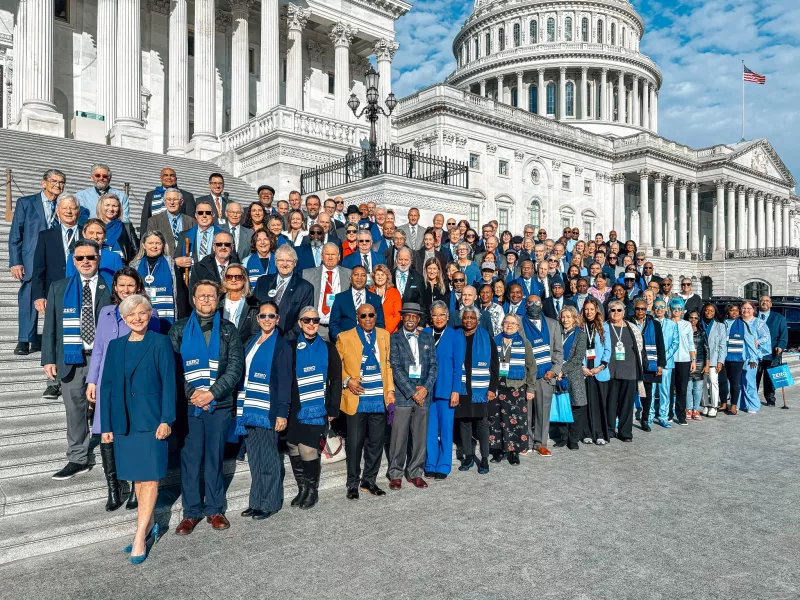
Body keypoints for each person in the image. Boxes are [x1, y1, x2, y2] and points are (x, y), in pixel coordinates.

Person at [99, 294, 174, 563]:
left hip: (152, 421)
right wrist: (106, 425)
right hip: (124, 424)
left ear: (150, 314)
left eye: (142, 313)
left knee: (150, 478)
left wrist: (167, 419)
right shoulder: (116, 346)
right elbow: (107, 387)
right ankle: (151, 523)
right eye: (131, 315)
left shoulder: (160, 342)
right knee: (138, 480)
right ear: (124, 318)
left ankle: (139, 535)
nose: (137, 318)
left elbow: (168, 383)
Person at [171, 281, 244, 534]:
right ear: (193, 299)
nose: (206, 300)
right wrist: (192, 394)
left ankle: (214, 509)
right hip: (190, 406)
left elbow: (235, 367)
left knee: (214, 457)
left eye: (211, 296)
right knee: (191, 459)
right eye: (201, 296)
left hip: (219, 405)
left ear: (218, 300)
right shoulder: (178, 329)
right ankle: (191, 512)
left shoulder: (228, 330)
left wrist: (212, 393)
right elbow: (173, 368)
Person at [87, 268, 160, 512]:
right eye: (121, 285)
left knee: (131, 431)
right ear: (115, 288)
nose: (126, 290)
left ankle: (134, 485)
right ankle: (113, 487)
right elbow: (98, 350)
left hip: (135, 385)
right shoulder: (106, 313)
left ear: (138, 287)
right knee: (106, 432)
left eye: (130, 285)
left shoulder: (147, 313)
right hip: (109, 384)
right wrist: (92, 381)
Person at [42, 240, 112, 479]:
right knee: (74, 410)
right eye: (80, 258)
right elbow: (50, 326)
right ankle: (78, 457)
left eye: (90, 258)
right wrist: (48, 359)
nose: (85, 262)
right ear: (73, 261)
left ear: (98, 259)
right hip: (72, 358)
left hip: (103, 358)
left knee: (108, 407)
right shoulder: (58, 288)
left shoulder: (111, 285)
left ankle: (113, 456)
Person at [234, 300, 291, 520]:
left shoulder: (282, 346)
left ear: (277, 319)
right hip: (249, 409)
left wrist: (281, 413)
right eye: (263, 316)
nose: (267, 320)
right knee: (254, 459)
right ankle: (256, 501)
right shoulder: (251, 341)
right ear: (257, 319)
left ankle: (270, 502)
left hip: (268, 411)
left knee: (268, 459)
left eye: (271, 316)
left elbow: (285, 383)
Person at [284, 307, 342, 509]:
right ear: (300, 323)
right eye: (306, 320)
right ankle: (301, 488)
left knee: (307, 448)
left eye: (315, 320)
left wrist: (334, 408)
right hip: (294, 404)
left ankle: (312, 490)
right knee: (292, 445)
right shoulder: (290, 347)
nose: (311, 324)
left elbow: (336, 379)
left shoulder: (328, 348)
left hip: (317, 406)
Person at [337, 303, 395, 499]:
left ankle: (369, 481)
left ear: (376, 315)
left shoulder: (384, 335)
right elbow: (336, 367)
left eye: (371, 315)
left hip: (379, 398)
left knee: (376, 443)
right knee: (354, 444)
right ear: (357, 318)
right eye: (364, 316)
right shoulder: (344, 337)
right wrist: (347, 380)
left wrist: (390, 391)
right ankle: (352, 484)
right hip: (357, 398)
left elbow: (387, 366)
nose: (368, 319)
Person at [9, 169, 66, 356]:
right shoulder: (26, 203)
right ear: (44, 183)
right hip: (31, 258)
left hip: (55, 259)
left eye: (61, 182)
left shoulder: (64, 206)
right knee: (28, 299)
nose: (58, 185)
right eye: (54, 181)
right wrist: (16, 261)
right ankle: (25, 339)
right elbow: (16, 234)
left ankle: (50, 338)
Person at [387, 303, 438, 490]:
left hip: (423, 395)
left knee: (420, 436)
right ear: (402, 317)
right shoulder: (394, 339)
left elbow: (434, 365)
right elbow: (395, 367)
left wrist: (424, 388)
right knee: (398, 437)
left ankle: (416, 472)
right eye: (407, 316)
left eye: (414, 316)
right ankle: (395, 473)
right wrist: (412, 391)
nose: (410, 319)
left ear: (418, 319)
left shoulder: (427, 337)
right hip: (403, 395)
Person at [423, 301, 465, 480]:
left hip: (446, 389)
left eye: (442, 315)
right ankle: (430, 462)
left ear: (447, 316)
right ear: (430, 317)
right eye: (435, 315)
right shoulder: (424, 334)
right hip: (426, 389)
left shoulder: (456, 336)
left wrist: (456, 390)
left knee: (446, 429)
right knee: (430, 429)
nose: (438, 318)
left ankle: (444, 464)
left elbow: (458, 366)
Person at [455, 306, 498, 474]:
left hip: (481, 388)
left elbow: (495, 365)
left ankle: (485, 458)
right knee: (464, 422)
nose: (469, 320)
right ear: (461, 319)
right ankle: (468, 456)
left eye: (472, 318)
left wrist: (492, 388)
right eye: (466, 317)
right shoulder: (456, 336)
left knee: (482, 423)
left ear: (478, 320)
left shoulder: (486, 337)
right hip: (462, 387)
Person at [490, 313, 536, 464]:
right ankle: (498, 450)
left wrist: (530, 388)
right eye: (506, 323)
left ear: (517, 326)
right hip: (497, 386)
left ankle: (513, 451)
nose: (508, 325)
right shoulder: (495, 340)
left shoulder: (524, 342)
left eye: (512, 323)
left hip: (516, 386)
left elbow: (531, 366)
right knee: (496, 418)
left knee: (516, 419)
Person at [521, 295, 563, 456]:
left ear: (541, 305)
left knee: (543, 411)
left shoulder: (552, 324)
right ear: (525, 305)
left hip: (546, 374)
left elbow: (558, 351)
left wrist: (554, 370)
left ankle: (540, 443)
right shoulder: (520, 325)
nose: (534, 305)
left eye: (537, 302)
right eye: (530, 302)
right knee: (526, 411)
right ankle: (527, 442)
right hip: (526, 376)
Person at [253, 244, 314, 339]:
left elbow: (304, 319)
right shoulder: (262, 282)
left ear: (295, 263)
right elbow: (254, 311)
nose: (284, 264)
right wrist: (258, 335)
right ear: (275, 262)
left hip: (288, 341)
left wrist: (286, 339)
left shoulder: (305, 287)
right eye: (281, 260)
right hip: (260, 337)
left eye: (289, 261)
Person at [605, 300, 646, 442]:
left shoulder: (632, 327)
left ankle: (625, 432)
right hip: (610, 371)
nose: (615, 313)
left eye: (619, 310)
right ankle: (609, 430)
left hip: (629, 371)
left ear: (623, 312)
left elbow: (640, 348)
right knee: (610, 403)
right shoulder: (604, 327)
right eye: (612, 310)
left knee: (626, 404)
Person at [628, 297, 666, 432]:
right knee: (630, 392)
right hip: (632, 363)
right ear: (634, 309)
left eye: (643, 309)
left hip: (648, 362)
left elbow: (660, 345)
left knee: (647, 393)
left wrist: (660, 364)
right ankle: (626, 420)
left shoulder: (654, 324)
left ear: (647, 309)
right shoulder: (628, 322)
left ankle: (645, 419)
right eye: (637, 308)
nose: (640, 311)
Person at [130, 231, 178, 329]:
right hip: (141, 315)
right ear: (143, 245)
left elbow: (179, 292)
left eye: (158, 243)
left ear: (163, 245)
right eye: (150, 243)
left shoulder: (171, 263)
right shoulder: (134, 265)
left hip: (167, 316)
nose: (154, 246)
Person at [302, 243, 351, 341]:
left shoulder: (348, 274)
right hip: (315, 327)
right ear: (321, 256)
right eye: (327, 254)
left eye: (333, 255)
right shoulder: (307, 274)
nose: (330, 257)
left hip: (340, 329)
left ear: (339, 257)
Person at [556, 306, 589, 450]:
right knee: (561, 405)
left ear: (574, 318)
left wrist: (562, 370)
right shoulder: (557, 333)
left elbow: (578, 357)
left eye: (569, 317)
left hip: (574, 375)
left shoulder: (580, 335)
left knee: (576, 406)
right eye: (563, 317)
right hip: (557, 375)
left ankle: (574, 439)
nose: (565, 320)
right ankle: (563, 437)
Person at [582, 298, 612, 445]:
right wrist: (583, 368)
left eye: (592, 309)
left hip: (599, 370)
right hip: (585, 370)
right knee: (586, 402)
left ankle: (600, 433)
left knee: (600, 403)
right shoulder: (580, 327)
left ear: (596, 311)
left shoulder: (604, 326)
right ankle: (587, 432)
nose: (589, 312)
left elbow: (608, 349)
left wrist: (600, 367)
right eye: (586, 309)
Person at [329, 266, 385, 341]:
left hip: (370, 342)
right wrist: (341, 340)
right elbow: (334, 325)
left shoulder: (375, 299)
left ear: (366, 278)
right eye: (356, 275)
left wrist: (373, 340)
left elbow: (380, 324)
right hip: (346, 342)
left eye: (363, 275)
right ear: (350, 278)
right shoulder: (340, 298)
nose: (359, 278)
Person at [139, 168, 196, 236]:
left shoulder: (186, 196)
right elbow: (145, 220)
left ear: (176, 178)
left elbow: (190, 221)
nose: (169, 178)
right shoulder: (151, 195)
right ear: (161, 178)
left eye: (172, 175)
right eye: (165, 175)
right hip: (156, 236)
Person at [738, 300, 772, 413]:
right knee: (737, 382)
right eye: (744, 308)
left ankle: (753, 405)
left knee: (749, 381)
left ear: (753, 310)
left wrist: (758, 341)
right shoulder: (737, 321)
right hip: (737, 355)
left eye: (749, 308)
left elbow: (766, 336)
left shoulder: (758, 322)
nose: (746, 310)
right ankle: (739, 403)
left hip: (751, 357)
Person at [66, 219, 125, 284]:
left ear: (105, 235)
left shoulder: (114, 257)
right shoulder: (74, 256)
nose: (95, 236)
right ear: (84, 233)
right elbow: (69, 281)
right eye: (91, 233)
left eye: (99, 233)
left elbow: (120, 281)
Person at [756, 296, 788, 406]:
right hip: (755, 352)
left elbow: (783, 335)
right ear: (759, 303)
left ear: (771, 304)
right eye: (762, 300)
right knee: (754, 376)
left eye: (767, 301)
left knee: (769, 377)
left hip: (772, 352)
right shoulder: (753, 316)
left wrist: (780, 346)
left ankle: (770, 398)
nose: (764, 302)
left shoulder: (779, 318)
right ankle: (752, 397)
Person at [651, 298, 678, 428]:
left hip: (666, 363)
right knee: (651, 391)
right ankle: (649, 415)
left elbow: (675, 343)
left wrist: (663, 358)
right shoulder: (649, 323)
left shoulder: (672, 325)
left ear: (666, 309)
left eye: (662, 307)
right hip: (651, 363)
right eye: (656, 307)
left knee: (665, 391)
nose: (659, 309)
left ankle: (663, 416)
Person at [145, 188, 197, 256]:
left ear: (181, 202)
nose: (172, 203)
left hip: (186, 262)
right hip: (164, 262)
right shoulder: (154, 221)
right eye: (169, 199)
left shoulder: (191, 222)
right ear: (164, 202)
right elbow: (151, 245)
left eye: (175, 199)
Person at [669, 298, 696, 425]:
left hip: (684, 360)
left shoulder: (687, 325)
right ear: (670, 309)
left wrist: (693, 360)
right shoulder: (667, 323)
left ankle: (681, 414)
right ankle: (668, 413)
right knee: (668, 389)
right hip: (669, 360)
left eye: (679, 309)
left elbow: (691, 344)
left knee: (682, 389)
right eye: (674, 308)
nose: (677, 311)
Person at [218, 263, 259, 346]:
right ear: (225, 280)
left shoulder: (254, 304)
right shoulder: (216, 301)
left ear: (244, 280)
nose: (233, 280)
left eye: (238, 277)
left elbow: (255, 333)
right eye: (229, 277)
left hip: (243, 350)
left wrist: (239, 350)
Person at [700, 302, 726, 418]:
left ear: (715, 312)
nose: (709, 312)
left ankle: (714, 406)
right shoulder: (699, 324)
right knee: (703, 383)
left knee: (713, 382)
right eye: (707, 310)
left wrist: (720, 361)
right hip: (701, 358)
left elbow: (722, 345)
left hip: (714, 359)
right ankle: (705, 404)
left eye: (712, 310)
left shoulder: (720, 325)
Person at [686, 310, 710, 421]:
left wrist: (707, 364)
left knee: (698, 388)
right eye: (691, 317)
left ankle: (696, 409)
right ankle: (688, 409)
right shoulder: (684, 329)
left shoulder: (702, 332)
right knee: (688, 387)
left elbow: (707, 348)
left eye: (696, 318)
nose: (693, 320)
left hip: (700, 361)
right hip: (687, 361)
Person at [371, 264, 402, 334]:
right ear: (373, 277)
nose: (380, 277)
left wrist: (386, 331)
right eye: (377, 275)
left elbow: (397, 315)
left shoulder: (395, 292)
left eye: (382, 275)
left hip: (391, 332)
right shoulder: (369, 292)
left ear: (387, 277)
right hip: (372, 331)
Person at [422, 257, 450, 322]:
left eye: (434, 269)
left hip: (440, 321)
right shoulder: (421, 284)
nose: (432, 272)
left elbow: (446, 306)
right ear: (426, 269)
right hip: (425, 323)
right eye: (429, 268)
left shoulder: (444, 285)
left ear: (438, 270)